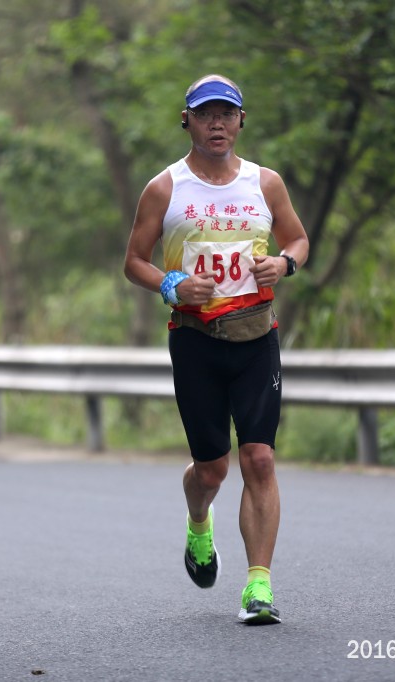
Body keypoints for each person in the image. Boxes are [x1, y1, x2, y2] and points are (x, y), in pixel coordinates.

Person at [123, 74, 309, 625]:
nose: (218, 124)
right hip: (197, 340)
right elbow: (134, 260)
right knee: (212, 469)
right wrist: (170, 285)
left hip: (256, 336)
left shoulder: (264, 183)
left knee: (259, 458)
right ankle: (198, 522)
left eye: (227, 114)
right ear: (188, 121)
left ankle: (258, 587)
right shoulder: (165, 187)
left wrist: (286, 263)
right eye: (206, 115)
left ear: (241, 121)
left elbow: (297, 239)